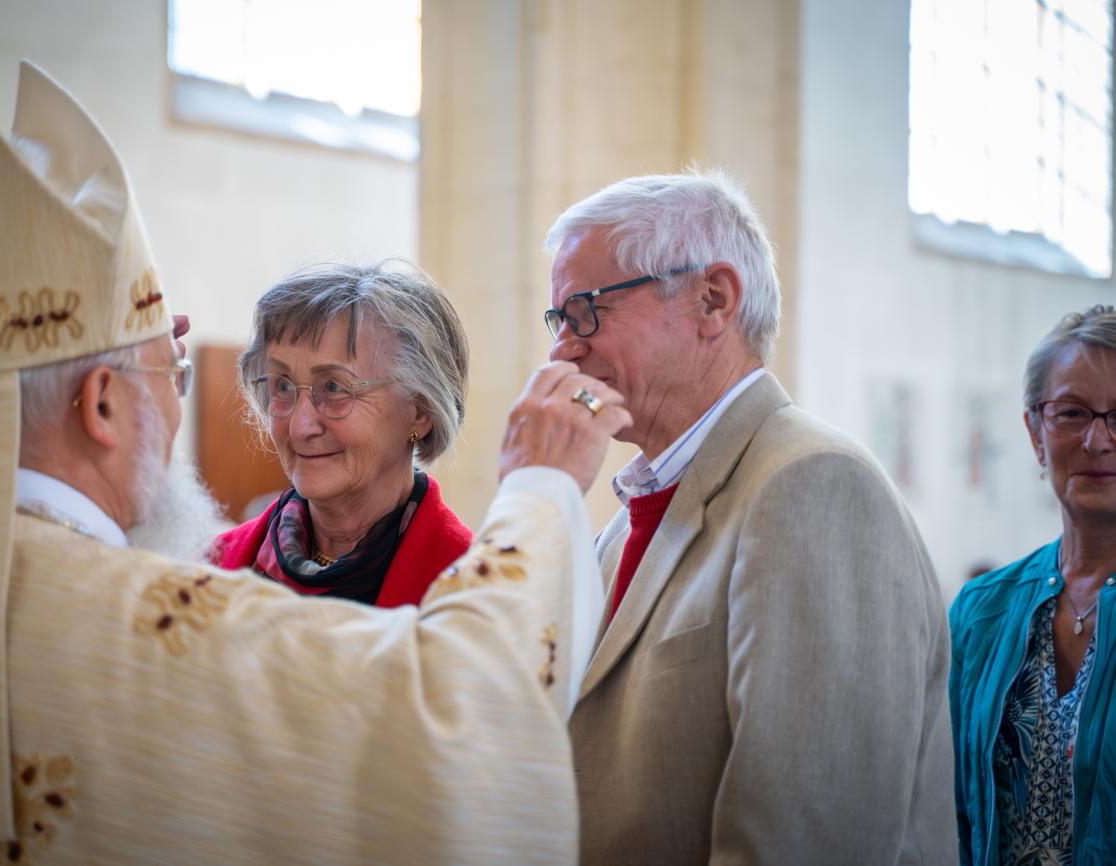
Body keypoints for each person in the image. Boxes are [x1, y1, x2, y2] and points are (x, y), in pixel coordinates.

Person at [0, 62, 627, 864]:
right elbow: (467, 719)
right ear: (101, 407)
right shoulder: (182, 609)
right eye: (167, 380)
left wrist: (127, 366)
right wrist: (543, 482)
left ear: (420, 410)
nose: (297, 419)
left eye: (335, 389)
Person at [543, 169, 958, 864]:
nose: (563, 347)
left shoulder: (815, 486)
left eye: (586, 309)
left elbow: (806, 842)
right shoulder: (625, 524)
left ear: (713, 300)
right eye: (558, 319)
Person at [949, 306, 1116, 866]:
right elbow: (946, 811)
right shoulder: (979, 614)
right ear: (1035, 433)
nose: (1098, 438)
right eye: (1071, 413)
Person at [213, 261, 473, 607]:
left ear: (420, 410)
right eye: (283, 386)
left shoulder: (470, 593)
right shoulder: (213, 568)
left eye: (334, 387)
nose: (300, 426)